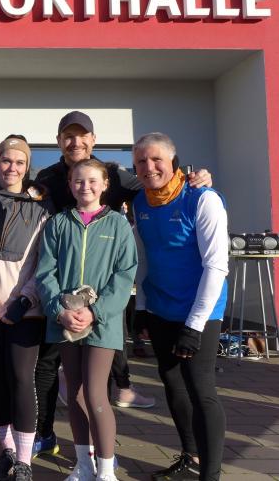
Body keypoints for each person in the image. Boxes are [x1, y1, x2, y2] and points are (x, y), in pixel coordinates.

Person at [31, 110, 216, 456]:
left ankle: (102, 450)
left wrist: (193, 176)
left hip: (103, 295)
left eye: (82, 135)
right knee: (48, 366)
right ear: (59, 142)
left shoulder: (115, 174)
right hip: (62, 296)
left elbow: (155, 180)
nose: (75, 142)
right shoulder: (47, 177)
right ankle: (45, 434)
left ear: (93, 140)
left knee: (97, 380)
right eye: (68, 136)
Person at [131, 133, 228, 481]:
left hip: (200, 311)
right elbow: (144, 258)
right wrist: (141, 306)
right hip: (160, 308)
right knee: (172, 384)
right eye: (141, 161)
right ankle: (191, 455)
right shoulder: (140, 202)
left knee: (201, 390)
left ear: (173, 161)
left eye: (156, 159)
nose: (149, 167)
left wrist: (194, 325)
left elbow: (216, 265)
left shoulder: (203, 198)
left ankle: (210, 475)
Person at [37, 159, 138, 481]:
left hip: (102, 323)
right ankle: (83, 465)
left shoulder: (118, 224)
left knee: (96, 394)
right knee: (76, 394)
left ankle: (106, 470)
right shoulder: (57, 223)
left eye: (93, 181)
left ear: (105, 184)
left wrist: (95, 312)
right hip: (66, 321)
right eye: (78, 181)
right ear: (70, 185)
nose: (86, 187)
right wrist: (60, 310)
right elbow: (45, 273)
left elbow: (125, 275)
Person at [0, 135, 51, 481]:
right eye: (6, 160)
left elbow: (45, 262)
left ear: (27, 167)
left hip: (25, 311)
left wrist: (26, 299)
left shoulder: (41, 210)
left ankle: (24, 461)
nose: (12, 167)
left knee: (21, 380)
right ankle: (7, 451)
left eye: (20, 162)